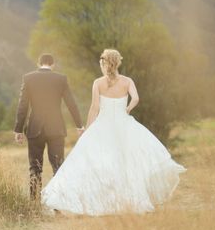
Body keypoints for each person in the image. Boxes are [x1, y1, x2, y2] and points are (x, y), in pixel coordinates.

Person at [41, 49, 186, 215]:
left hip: (103, 125)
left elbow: (94, 108)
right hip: (124, 125)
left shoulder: (98, 83)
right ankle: (127, 202)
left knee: (98, 163)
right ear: (117, 63)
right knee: (126, 163)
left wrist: (87, 130)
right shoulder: (127, 81)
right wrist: (128, 108)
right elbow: (136, 98)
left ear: (104, 64)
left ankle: (99, 200)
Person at [13, 53, 84, 201]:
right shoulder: (61, 79)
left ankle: (34, 205)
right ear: (53, 64)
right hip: (56, 129)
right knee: (58, 167)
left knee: (35, 168)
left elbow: (22, 106)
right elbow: (71, 103)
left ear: (39, 64)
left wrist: (18, 130)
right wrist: (79, 125)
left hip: (34, 129)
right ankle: (58, 205)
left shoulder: (28, 78)